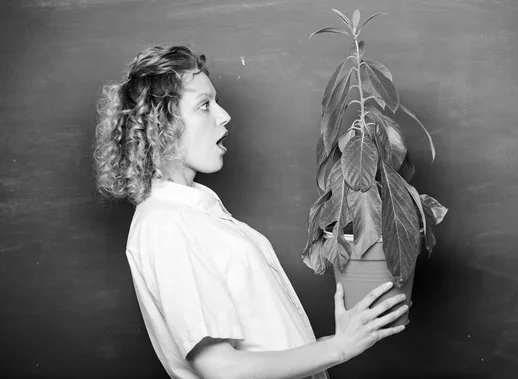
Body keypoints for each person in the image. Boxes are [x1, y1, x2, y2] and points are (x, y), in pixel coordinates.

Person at [93, 45, 408, 379]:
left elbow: (264, 340)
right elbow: (220, 368)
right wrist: (339, 348)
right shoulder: (167, 224)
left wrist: (333, 342)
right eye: (204, 105)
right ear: (163, 123)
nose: (223, 115)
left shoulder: (193, 213)